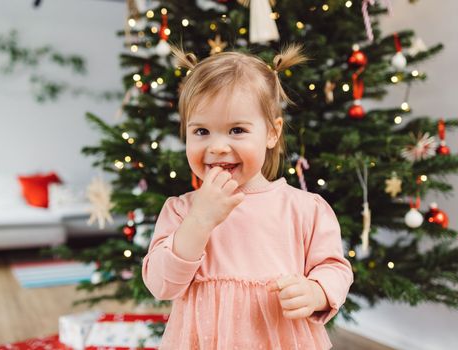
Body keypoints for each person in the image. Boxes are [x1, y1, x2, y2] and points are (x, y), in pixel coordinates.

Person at [142, 45, 354, 349]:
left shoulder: (305, 209)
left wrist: (316, 291)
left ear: (271, 133)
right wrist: (199, 221)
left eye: (237, 130)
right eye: (201, 131)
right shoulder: (181, 211)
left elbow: (335, 268)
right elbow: (162, 285)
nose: (217, 147)